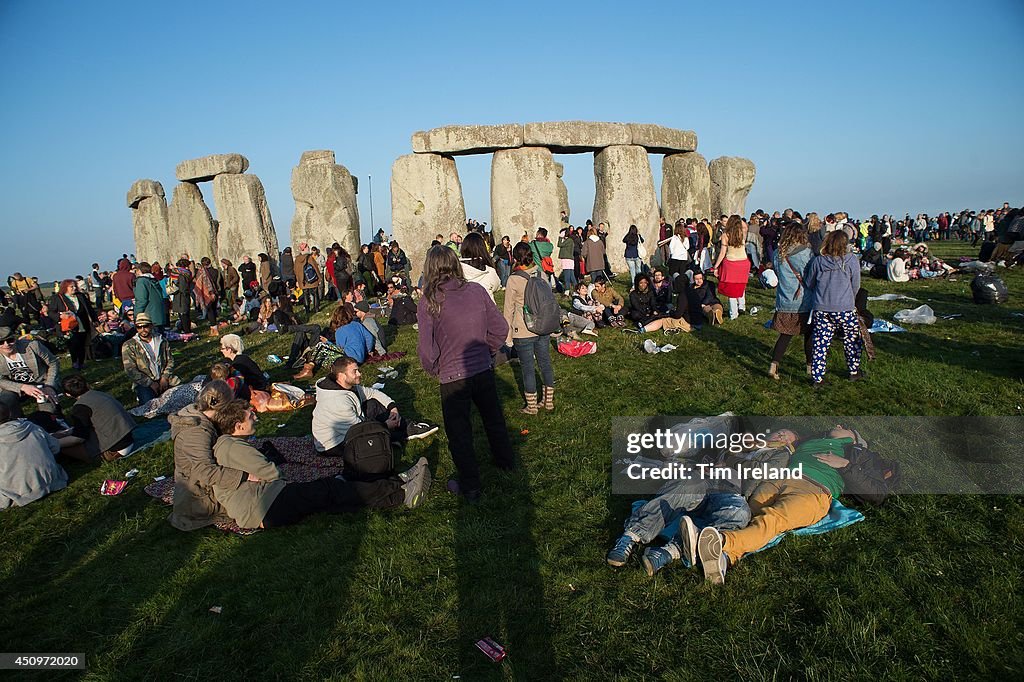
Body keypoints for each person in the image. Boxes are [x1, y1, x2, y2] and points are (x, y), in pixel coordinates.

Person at [694, 427, 884, 584]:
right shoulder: (813, 439)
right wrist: (753, 441)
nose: (839, 426)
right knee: (749, 512)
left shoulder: (859, 454)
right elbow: (776, 443)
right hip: (780, 479)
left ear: (855, 439)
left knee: (773, 520)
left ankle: (722, 541)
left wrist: (845, 464)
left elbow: (876, 494)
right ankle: (724, 559)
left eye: (846, 428)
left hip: (814, 490)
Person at [213, 400, 432, 529]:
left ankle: (398, 484)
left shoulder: (228, 446)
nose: (255, 418)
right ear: (238, 425)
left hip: (263, 506)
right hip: (264, 506)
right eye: (250, 416)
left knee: (332, 497)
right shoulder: (233, 448)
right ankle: (402, 493)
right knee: (331, 490)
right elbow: (271, 472)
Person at [606, 429, 799, 574]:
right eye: (780, 432)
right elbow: (714, 450)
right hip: (704, 477)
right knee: (687, 487)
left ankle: (667, 552)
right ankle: (629, 537)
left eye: (786, 438)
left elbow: (758, 473)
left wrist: (731, 461)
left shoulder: (781, 454)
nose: (780, 436)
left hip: (730, 489)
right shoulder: (745, 439)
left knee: (739, 513)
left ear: (789, 445)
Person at [417, 245, 514, 503]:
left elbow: (426, 349)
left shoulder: (429, 300)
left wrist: (435, 368)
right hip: (481, 367)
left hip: (452, 376)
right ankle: (506, 462)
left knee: (460, 431)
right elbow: (500, 328)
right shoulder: (477, 291)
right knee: (493, 419)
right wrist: (488, 351)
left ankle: (470, 486)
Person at [312, 356, 437, 454]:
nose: (359, 374)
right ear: (341, 376)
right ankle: (398, 435)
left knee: (372, 403)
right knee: (371, 442)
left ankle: (405, 426)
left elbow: (372, 392)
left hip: (353, 427)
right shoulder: (336, 402)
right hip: (335, 444)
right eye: (355, 371)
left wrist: (392, 408)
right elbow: (358, 431)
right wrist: (385, 425)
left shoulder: (347, 386)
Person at [805, 231, 863, 387]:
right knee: (852, 339)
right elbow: (856, 284)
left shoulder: (818, 261)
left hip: (822, 307)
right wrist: (851, 298)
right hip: (845, 307)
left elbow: (809, 283)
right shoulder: (851, 260)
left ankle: (817, 377)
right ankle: (853, 370)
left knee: (820, 343)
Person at [504, 242, 556, 414]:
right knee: (545, 363)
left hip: (523, 328)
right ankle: (548, 402)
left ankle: (532, 406)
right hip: (543, 325)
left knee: (527, 368)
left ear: (516, 258)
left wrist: (508, 337)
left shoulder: (514, 279)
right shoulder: (541, 274)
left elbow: (508, 310)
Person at [0, 402, 68, 509]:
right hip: (53, 481)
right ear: (9, 413)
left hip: (18, 494)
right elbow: (55, 448)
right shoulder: (32, 426)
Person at [769, 222, 814, 380]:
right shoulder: (806, 253)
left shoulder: (777, 253)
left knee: (785, 335)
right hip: (803, 300)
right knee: (809, 335)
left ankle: (774, 365)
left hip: (784, 299)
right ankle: (810, 367)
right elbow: (809, 277)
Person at [60, 375, 136, 462]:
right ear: (87, 385)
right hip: (128, 439)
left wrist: (54, 442)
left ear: (68, 394)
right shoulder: (100, 394)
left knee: (63, 448)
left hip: (115, 450)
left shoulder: (80, 407)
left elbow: (78, 438)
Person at [0, 326, 61, 417]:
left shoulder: (33, 346)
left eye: (10, 340)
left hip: (41, 383)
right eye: (1, 342)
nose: (6, 344)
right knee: (6, 402)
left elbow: (53, 363)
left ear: (15, 339)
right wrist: (22, 387)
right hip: (15, 386)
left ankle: (54, 420)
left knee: (49, 413)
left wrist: (50, 385)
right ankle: (18, 423)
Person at [121, 312, 181, 405]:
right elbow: (130, 369)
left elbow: (170, 360)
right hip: (143, 382)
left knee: (181, 401)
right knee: (150, 408)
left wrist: (165, 377)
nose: (142, 330)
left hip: (164, 379)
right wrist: (150, 383)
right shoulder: (129, 345)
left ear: (151, 326)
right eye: (138, 327)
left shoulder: (162, 341)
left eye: (145, 326)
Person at [48, 278, 99, 371]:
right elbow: (50, 312)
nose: (74, 288)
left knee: (83, 343)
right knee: (74, 344)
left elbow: (89, 308)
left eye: (75, 286)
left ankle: (82, 362)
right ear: (65, 288)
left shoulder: (80, 296)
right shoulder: (58, 298)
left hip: (82, 324)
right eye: (71, 286)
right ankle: (75, 361)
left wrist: (95, 319)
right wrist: (60, 316)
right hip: (69, 326)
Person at [713, 215, 751, 320]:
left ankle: (733, 313)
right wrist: (739, 221)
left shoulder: (726, 235)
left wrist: (716, 266)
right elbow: (745, 226)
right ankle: (742, 306)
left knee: (731, 289)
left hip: (731, 263)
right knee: (741, 285)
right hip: (743, 262)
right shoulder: (742, 233)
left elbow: (722, 253)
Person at [460, 232, 501, 301]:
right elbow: (496, 286)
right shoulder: (489, 271)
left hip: (463, 308)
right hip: (485, 308)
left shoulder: (455, 269)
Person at [133, 262, 167, 332]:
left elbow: (141, 300)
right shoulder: (153, 280)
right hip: (158, 313)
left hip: (149, 314)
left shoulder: (141, 281)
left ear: (139, 270)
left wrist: (136, 314)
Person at [170, 259, 194, 333]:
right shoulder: (187, 274)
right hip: (184, 296)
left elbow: (182, 287)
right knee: (185, 314)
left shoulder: (178, 274)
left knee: (183, 315)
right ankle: (186, 329)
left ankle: (186, 330)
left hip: (180, 296)